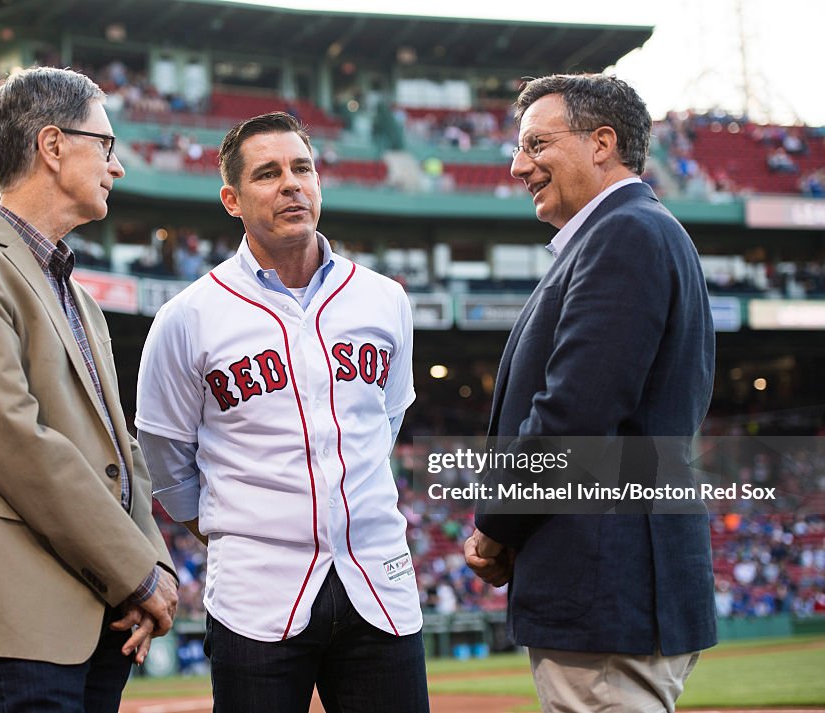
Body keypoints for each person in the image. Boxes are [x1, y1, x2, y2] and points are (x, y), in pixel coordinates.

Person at [0, 66, 177, 713]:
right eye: (106, 146)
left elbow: (123, 452)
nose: (118, 166)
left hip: (99, 616)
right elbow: (18, 442)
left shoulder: (82, 300)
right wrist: (133, 569)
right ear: (53, 146)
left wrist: (155, 566)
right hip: (14, 617)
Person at [136, 112, 429, 713]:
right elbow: (164, 458)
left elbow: (385, 423)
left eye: (303, 168)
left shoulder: (384, 298)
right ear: (232, 200)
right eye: (268, 174)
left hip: (378, 580)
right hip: (255, 590)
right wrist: (229, 525)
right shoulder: (188, 316)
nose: (292, 184)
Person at [463, 74, 716, 712]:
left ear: (602, 143)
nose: (519, 165)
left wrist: (496, 528)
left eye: (536, 144)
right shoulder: (632, 231)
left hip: (607, 583)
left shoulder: (624, 233)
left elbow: (573, 418)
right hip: (618, 581)